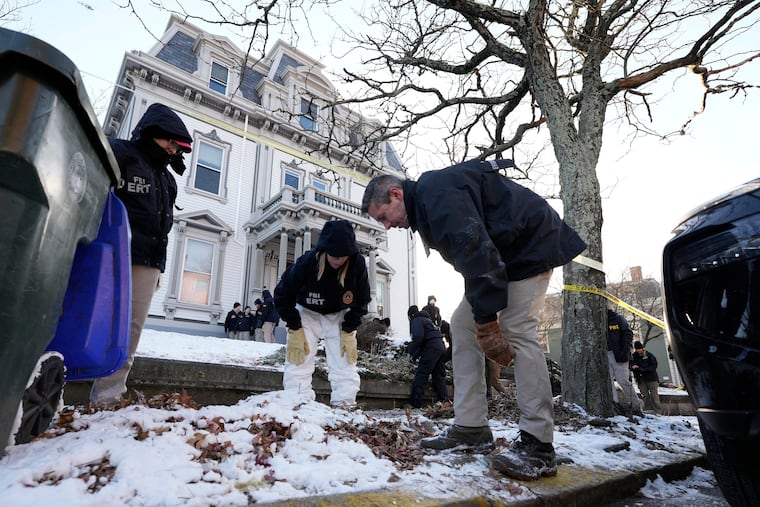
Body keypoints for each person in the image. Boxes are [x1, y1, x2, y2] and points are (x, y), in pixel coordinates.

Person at [362, 158, 586, 481]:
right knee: (462, 325)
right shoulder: (426, 205)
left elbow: (475, 250)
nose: (385, 225)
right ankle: (471, 427)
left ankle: (539, 445)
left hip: (528, 246)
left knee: (517, 329)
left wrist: (488, 322)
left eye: (383, 216)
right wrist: (480, 320)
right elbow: (474, 258)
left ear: (396, 195)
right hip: (499, 258)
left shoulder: (434, 196)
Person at [89, 103, 193, 407]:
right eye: (171, 143)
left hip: (148, 263)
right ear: (154, 134)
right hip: (109, 256)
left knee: (129, 333)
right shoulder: (120, 153)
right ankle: (49, 390)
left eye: (179, 147)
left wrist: (159, 268)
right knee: (87, 321)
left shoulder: (167, 180)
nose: (174, 151)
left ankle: (107, 397)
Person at [274, 219, 371, 407]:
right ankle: (298, 402)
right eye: (333, 255)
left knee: (344, 361)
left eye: (342, 256)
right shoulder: (308, 262)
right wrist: (294, 327)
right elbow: (282, 294)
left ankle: (345, 405)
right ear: (325, 250)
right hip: (307, 314)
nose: (337, 260)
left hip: (339, 316)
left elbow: (362, 301)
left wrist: (349, 329)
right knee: (299, 358)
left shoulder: (357, 265)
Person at [407, 306, 450, 408]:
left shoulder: (416, 320)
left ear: (410, 315)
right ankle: (444, 400)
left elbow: (418, 338)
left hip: (431, 348)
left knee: (422, 373)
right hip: (440, 346)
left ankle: (415, 403)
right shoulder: (427, 320)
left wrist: (411, 353)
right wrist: (415, 355)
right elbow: (424, 339)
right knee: (438, 375)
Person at [607, 308, 640, 412]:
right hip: (605, 354)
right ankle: (614, 404)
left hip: (619, 354)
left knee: (623, 380)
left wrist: (625, 351)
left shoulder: (618, 319)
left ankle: (636, 405)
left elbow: (628, 334)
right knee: (608, 381)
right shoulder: (598, 321)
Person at [630, 341, 662, 415]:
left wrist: (642, 369)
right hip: (640, 379)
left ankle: (658, 411)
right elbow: (630, 365)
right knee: (644, 395)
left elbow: (654, 366)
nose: (638, 350)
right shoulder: (633, 356)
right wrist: (633, 367)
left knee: (654, 395)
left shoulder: (649, 355)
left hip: (651, 378)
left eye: (640, 349)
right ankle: (647, 410)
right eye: (637, 349)